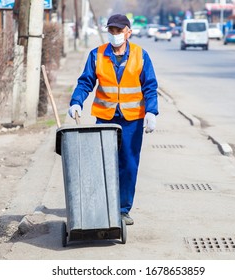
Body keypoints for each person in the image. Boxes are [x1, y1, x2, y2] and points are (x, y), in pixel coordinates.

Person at [68, 14, 159, 225]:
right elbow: (85, 82)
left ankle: (122, 209)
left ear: (129, 32)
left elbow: (150, 87)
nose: (115, 35)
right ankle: (104, 206)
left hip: (132, 119)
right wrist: (76, 102)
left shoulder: (140, 55)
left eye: (119, 31)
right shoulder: (97, 54)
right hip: (106, 117)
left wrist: (152, 112)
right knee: (103, 163)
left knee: (128, 164)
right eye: (112, 31)